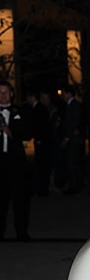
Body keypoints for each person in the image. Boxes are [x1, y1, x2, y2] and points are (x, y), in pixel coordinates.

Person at [0, 80, 31, 241]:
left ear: (11, 94)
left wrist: (10, 131)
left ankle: (21, 232)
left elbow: (27, 133)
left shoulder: (20, 112)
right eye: (0, 92)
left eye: (5, 92)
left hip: (16, 162)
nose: (2, 96)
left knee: (20, 200)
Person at [60, 84, 84, 195]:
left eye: (64, 93)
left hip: (73, 140)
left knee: (73, 162)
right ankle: (74, 185)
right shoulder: (70, 106)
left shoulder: (74, 106)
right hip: (72, 138)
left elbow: (73, 123)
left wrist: (67, 137)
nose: (63, 96)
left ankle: (75, 186)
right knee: (72, 162)